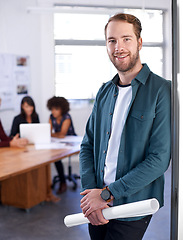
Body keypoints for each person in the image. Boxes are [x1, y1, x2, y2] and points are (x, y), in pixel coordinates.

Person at [79, 13, 171, 240]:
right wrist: (94, 195)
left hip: (133, 205)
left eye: (126, 39)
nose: (118, 47)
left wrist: (108, 194)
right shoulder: (104, 92)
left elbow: (159, 159)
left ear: (139, 42)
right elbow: (87, 147)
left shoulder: (161, 90)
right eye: (112, 40)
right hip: (98, 202)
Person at [47, 96, 76, 194]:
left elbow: (63, 134)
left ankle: (63, 182)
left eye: (56, 109)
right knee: (55, 157)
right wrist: (53, 135)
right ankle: (61, 180)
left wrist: (52, 134)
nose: (53, 112)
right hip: (59, 143)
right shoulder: (51, 117)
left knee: (57, 157)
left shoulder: (67, 117)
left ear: (62, 109)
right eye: (52, 109)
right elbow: (48, 132)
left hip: (72, 142)